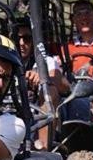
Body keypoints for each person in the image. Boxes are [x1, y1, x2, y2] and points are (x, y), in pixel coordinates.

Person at [16, 17, 70, 149]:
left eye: (27, 39)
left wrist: (43, 77)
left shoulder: (46, 61)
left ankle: (43, 147)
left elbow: (64, 86)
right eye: (17, 39)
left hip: (35, 114)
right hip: (9, 113)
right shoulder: (4, 62)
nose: (22, 43)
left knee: (50, 90)